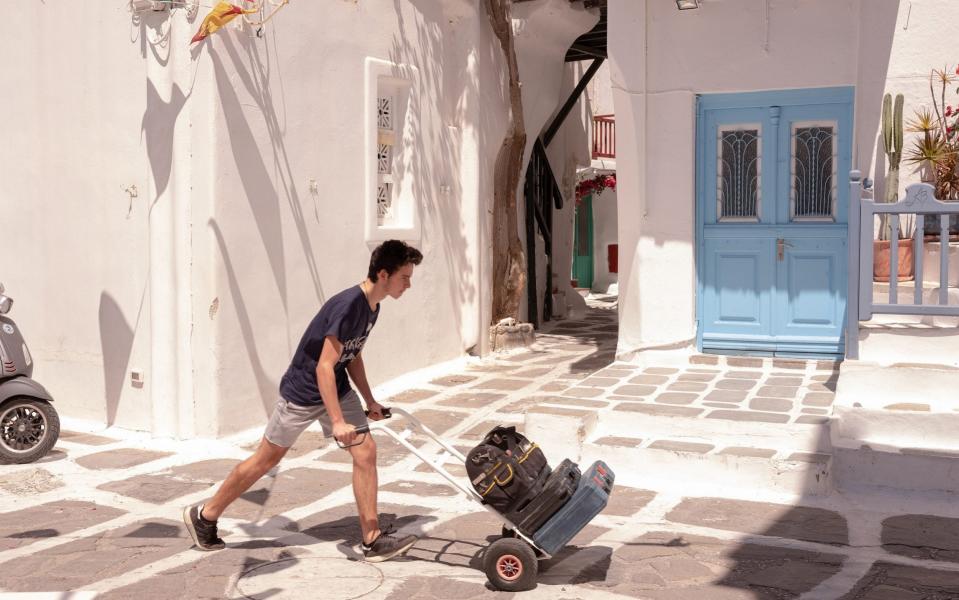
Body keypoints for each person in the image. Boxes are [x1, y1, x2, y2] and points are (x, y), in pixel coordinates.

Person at [183, 240, 423, 562]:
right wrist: (337, 422)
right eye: (404, 277)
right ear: (383, 274)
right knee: (265, 460)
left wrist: (370, 400)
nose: (408, 283)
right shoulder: (349, 306)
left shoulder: (373, 306)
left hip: (335, 387)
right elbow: (323, 366)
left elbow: (352, 356)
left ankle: (372, 539)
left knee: (366, 452)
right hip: (303, 392)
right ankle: (206, 515)